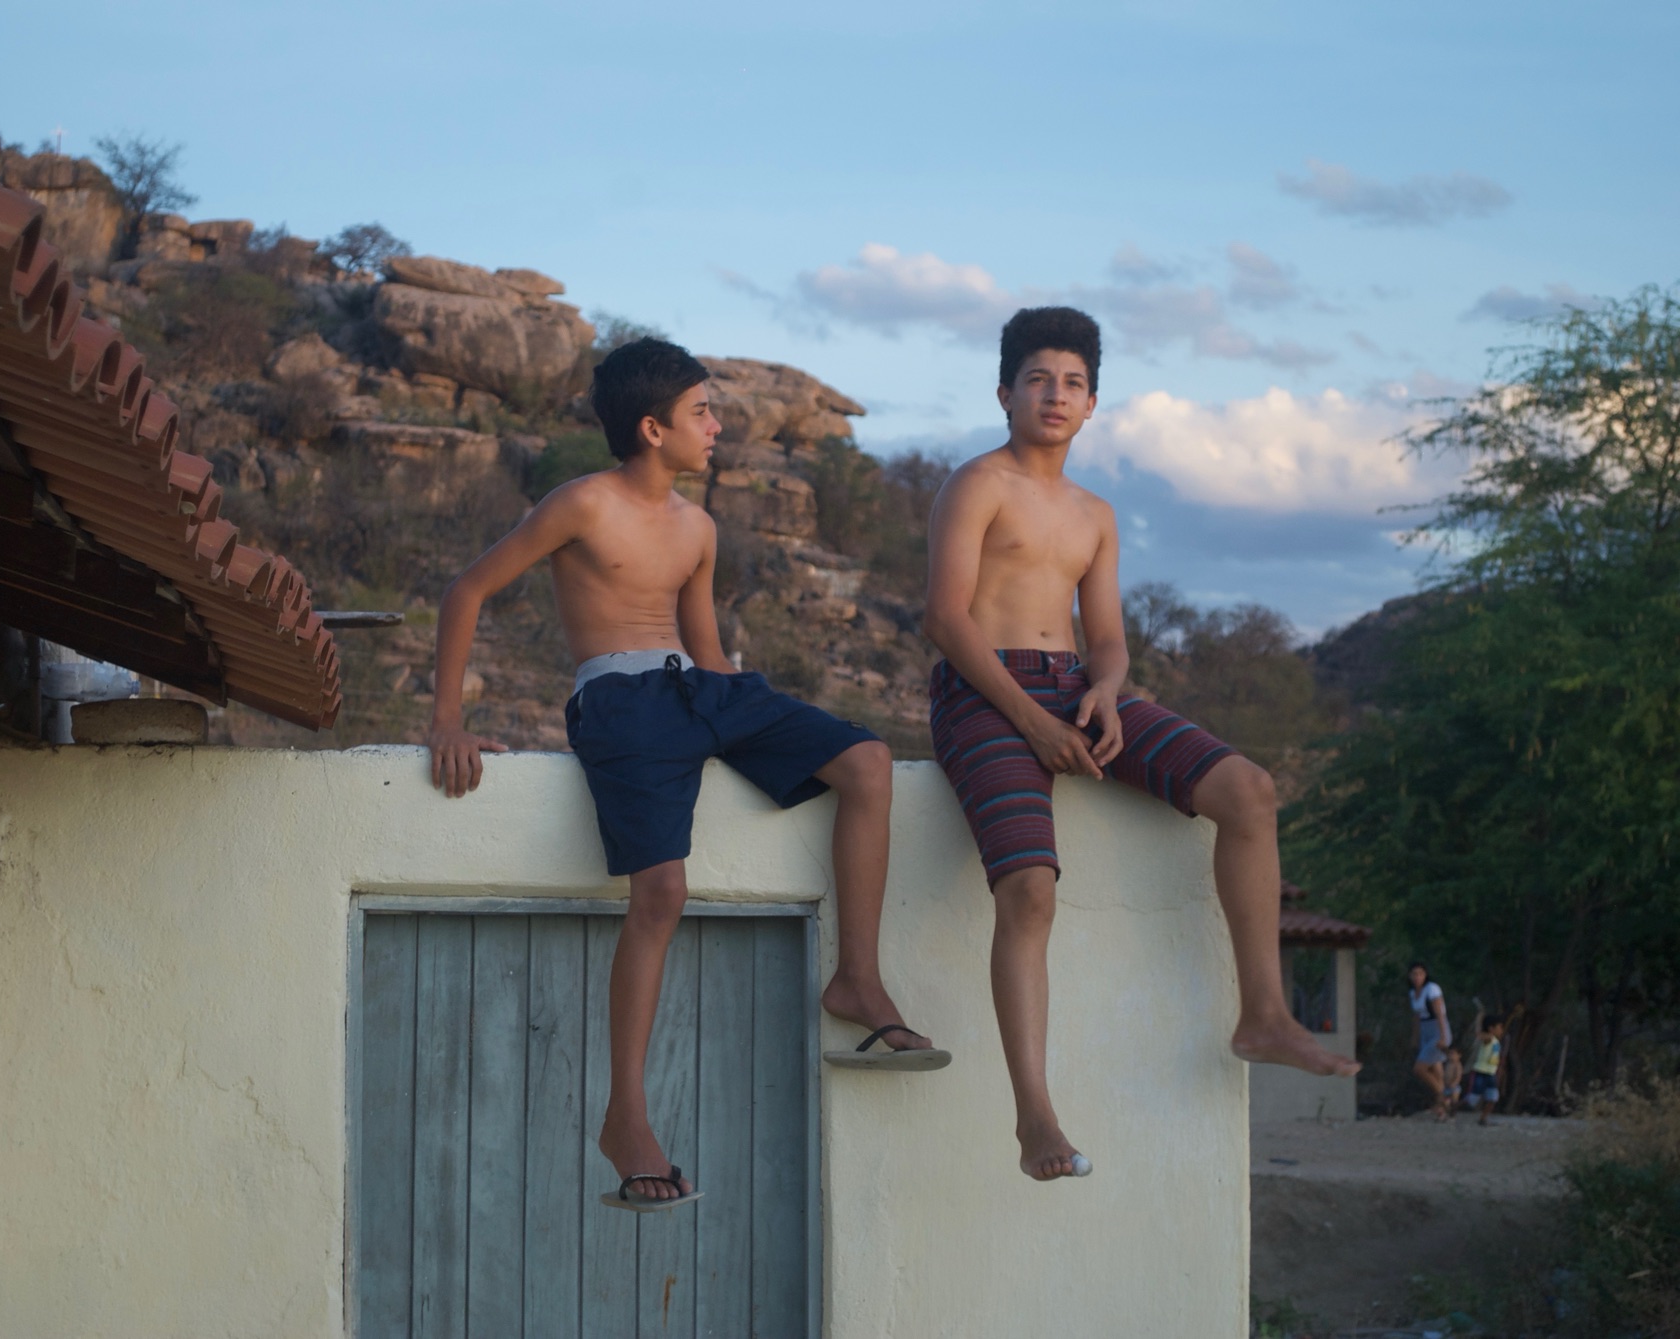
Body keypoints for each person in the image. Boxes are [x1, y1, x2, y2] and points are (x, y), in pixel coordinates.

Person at [425, 337, 943, 1212]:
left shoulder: (698, 528)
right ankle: (625, 1114)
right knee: (660, 891)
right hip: (619, 700)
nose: (719, 426)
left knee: (866, 761)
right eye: (703, 412)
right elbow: (467, 591)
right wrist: (447, 719)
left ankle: (857, 975)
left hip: (699, 690)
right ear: (653, 427)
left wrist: (754, 718)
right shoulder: (581, 504)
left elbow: (707, 652)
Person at [920, 306, 1361, 1183]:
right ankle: (1034, 1113)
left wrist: (1106, 690)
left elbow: (1110, 637)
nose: (1056, 394)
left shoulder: (1096, 513)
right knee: (1031, 892)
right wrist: (1032, 722)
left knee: (1250, 791)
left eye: (1074, 382)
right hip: (983, 689)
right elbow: (945, 618)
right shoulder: (978, 484)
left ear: (1092, 405)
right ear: (1005, 392)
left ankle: (1264, 1013)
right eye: (1038, 378)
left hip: (1073, 683)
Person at [1407, 963, 1454, 1119]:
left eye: (1420, 973)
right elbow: (1416, 1016)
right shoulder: (1413, 992)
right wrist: (1415, 1037)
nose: (1417, 977)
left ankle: (1445, 1095)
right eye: (1414, 974)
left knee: (1420, 1068)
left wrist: (1442, 1037)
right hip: (1425, 1030)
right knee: (1435, 1070)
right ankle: (1443, 1109)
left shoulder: (1432, 989)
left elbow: (1440, 1014)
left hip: (1437, 1029)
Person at [1465, 1014, 1506, 1125]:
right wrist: (1479, 1020)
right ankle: (1452, 1108)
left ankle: (1483, 1118)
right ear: (1491, 1028)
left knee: (1492, 1098)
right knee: (1472, 1099)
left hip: (1491, 1073)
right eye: (1500, 1027)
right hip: (1480, 1072)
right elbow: (1479, 1035)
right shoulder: (1489, 1039)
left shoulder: (1496, 1042)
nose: (1502, 1030)